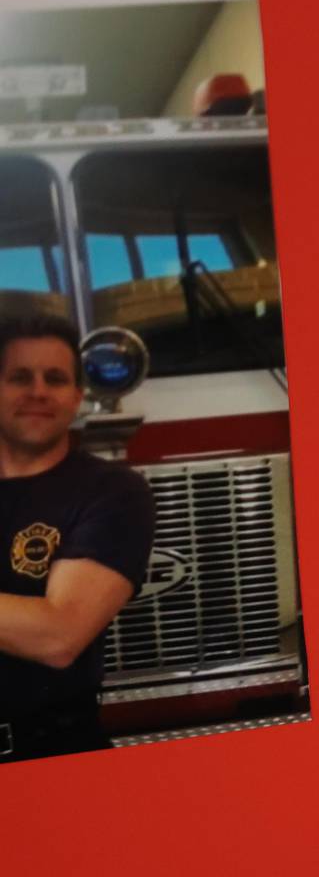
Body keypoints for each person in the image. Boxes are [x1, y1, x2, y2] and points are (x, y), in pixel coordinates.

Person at [0, 313, 154, 761]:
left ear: (76, 397)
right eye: (19, 377)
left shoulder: (114, 492)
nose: (38, 392)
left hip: (51, 753)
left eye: (55, 378)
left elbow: (59, 636)